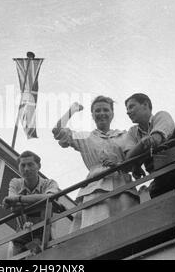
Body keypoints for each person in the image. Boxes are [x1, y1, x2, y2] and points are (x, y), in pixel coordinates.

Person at [53, 96, 139, 232]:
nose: (101, 113)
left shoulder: (124, 135)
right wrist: (72, 110)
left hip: (121, 184)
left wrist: (118, 163)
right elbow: (57, 131)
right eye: (97, 111)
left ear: (112, 114)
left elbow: (133, 159)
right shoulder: (85, 137)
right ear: (92, 115)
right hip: (95, 188)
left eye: (106, 110)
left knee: (125, 228)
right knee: (94, 227)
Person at [123, 93, 175, 198]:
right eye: (127, 109)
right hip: (158, 180)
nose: (128, 112)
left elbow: (156, 140)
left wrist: (137, 161)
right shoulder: (132, 132)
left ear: (145, 104)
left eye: (131, 106)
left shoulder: (162, 116)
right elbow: (129, 158)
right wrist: (142, 144)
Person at [2, 150, 60, 257]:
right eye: (23, 165)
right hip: (22, 235)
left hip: (44, 233)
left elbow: (49, 198)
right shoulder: (15, 182)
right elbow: (12, 208)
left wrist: (19, 199)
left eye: (30, 164)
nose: (26, 169)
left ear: (39, 166)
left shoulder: (50, 183)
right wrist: (40, 203)